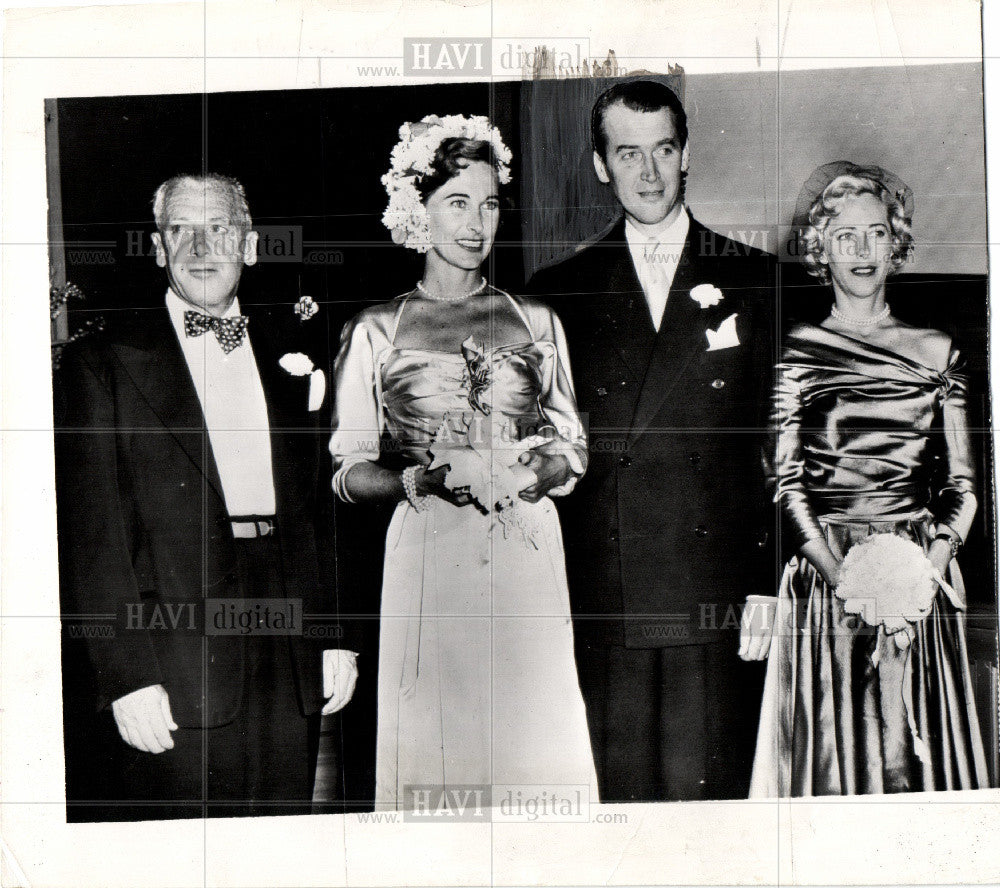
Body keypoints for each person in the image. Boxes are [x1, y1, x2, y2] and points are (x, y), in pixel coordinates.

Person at [55, 173, 358, 820]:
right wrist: (126, 677)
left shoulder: (289, 350)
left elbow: (316, 512)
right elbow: (94, 540)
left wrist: (335, 636)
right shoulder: (103, 366)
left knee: (282, 842)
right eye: (180, 231)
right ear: (159, 250)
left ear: (249, 244)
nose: (200, 246)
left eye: (218, 228)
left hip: (290, 641)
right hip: (174, 652)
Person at [330, 115, 598, 810]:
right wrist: (413, 479)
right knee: (436, 742)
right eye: (457, 202)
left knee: (528, 741)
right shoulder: (375, 330)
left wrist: (533, 473)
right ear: (417, 211)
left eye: (489, 203)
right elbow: (347, 467)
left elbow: (573, 445)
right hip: (427, 548)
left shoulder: (536, 320)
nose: (476, 223)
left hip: (525, 548)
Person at [527, 79, 775, 801]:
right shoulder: (557, 290)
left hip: (718, 594)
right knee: (622, 811)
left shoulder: (757, 280)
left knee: (709, 811)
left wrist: (768, 583)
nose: (647, 173)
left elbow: (778, 450)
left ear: (686, 153)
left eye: (662, 150)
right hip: (606, 590)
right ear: (601, 165)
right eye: (627, 154)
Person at [740, 162, 990, 796]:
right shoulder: (798, 349)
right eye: (843, 235)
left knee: (913, 759)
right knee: (835, 762)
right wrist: (844, 576)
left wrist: (925, 573)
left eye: (875, 233)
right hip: (828, 580)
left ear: (895, 243)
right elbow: (785, 485)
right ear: (822, 247)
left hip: (919, 576)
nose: (860, 250)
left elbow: (964, 486)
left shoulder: (939, 350)